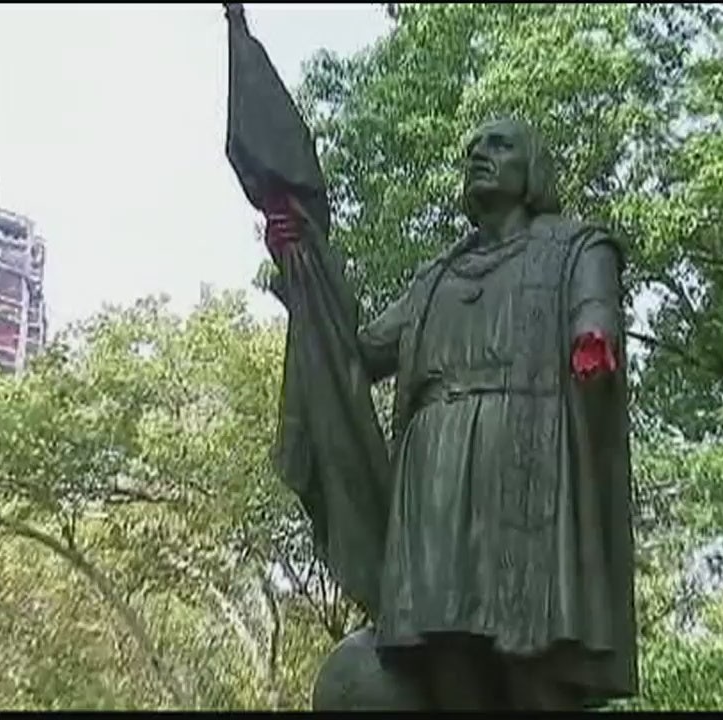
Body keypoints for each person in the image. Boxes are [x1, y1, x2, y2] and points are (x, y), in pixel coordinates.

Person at [262, 117, 638, 711]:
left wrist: (593, 342)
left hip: (526, 467)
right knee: (446, 650)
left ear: (533, 169)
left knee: (529, 652)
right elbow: (358, 354)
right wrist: (303, 266)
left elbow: (595, 313)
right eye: (472, 149)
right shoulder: (435, 279)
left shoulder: (577, 247)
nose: (479, 155)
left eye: (499, 145)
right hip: (433, 483)